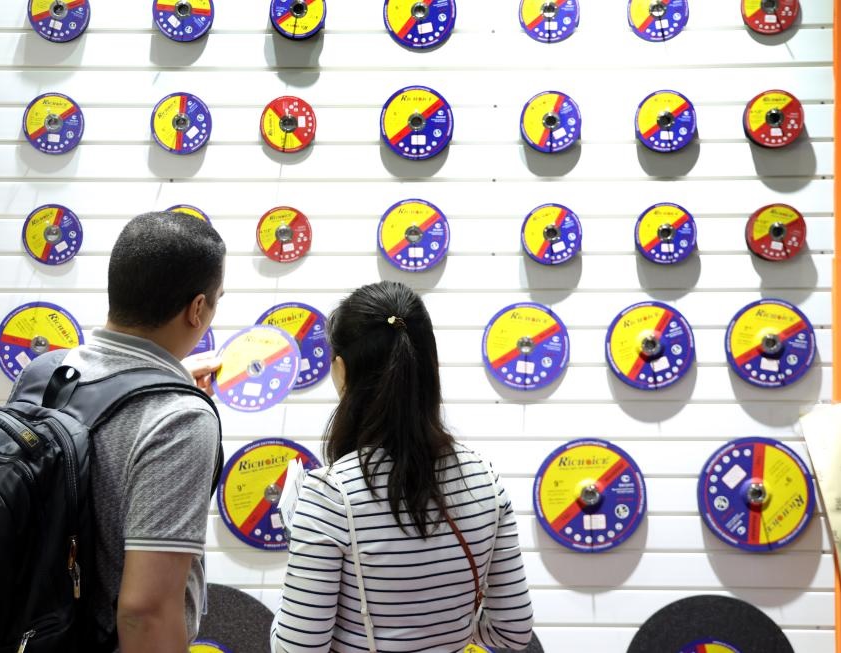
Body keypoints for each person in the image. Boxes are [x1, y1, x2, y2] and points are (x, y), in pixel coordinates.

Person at [271, 281, 534, 652]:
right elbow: (514, 632)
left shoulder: (330, 496)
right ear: (429, 365)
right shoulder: (485, 481)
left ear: (341, 370)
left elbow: (297, 649)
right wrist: (448, 627)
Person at [46, 212, 225, 652]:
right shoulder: (180, 419)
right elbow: (145, 612)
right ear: (197, 309)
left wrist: (164, 380)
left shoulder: (46, 373)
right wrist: (170, 396)